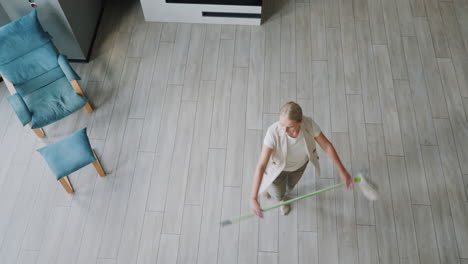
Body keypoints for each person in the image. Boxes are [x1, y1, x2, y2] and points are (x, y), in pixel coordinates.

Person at [250, 101, 353, 217]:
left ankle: (279, 192)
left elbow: (327, 146)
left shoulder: (309, 124)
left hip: (299, 167)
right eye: (281, 124)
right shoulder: (272, 133)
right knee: (278, 193)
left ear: (300, 122)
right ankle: (280, 199)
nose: (284, 130)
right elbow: (261, 165)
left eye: (289, 127)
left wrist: (342, 171)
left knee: (290, 187)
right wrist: (254, 198)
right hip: (277, 171)